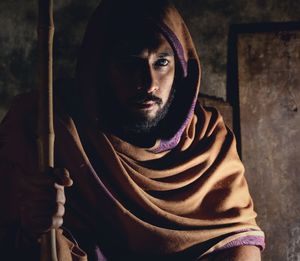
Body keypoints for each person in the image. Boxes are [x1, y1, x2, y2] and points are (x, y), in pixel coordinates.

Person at [0, 0, 265, 260]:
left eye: (161, 63)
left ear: (182, 67)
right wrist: (37, 225)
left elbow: (239, 238)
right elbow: (18, 237)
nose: (149, 83)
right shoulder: (49, 124)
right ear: (100, 67)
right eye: (129, 62)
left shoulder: (207, 138)